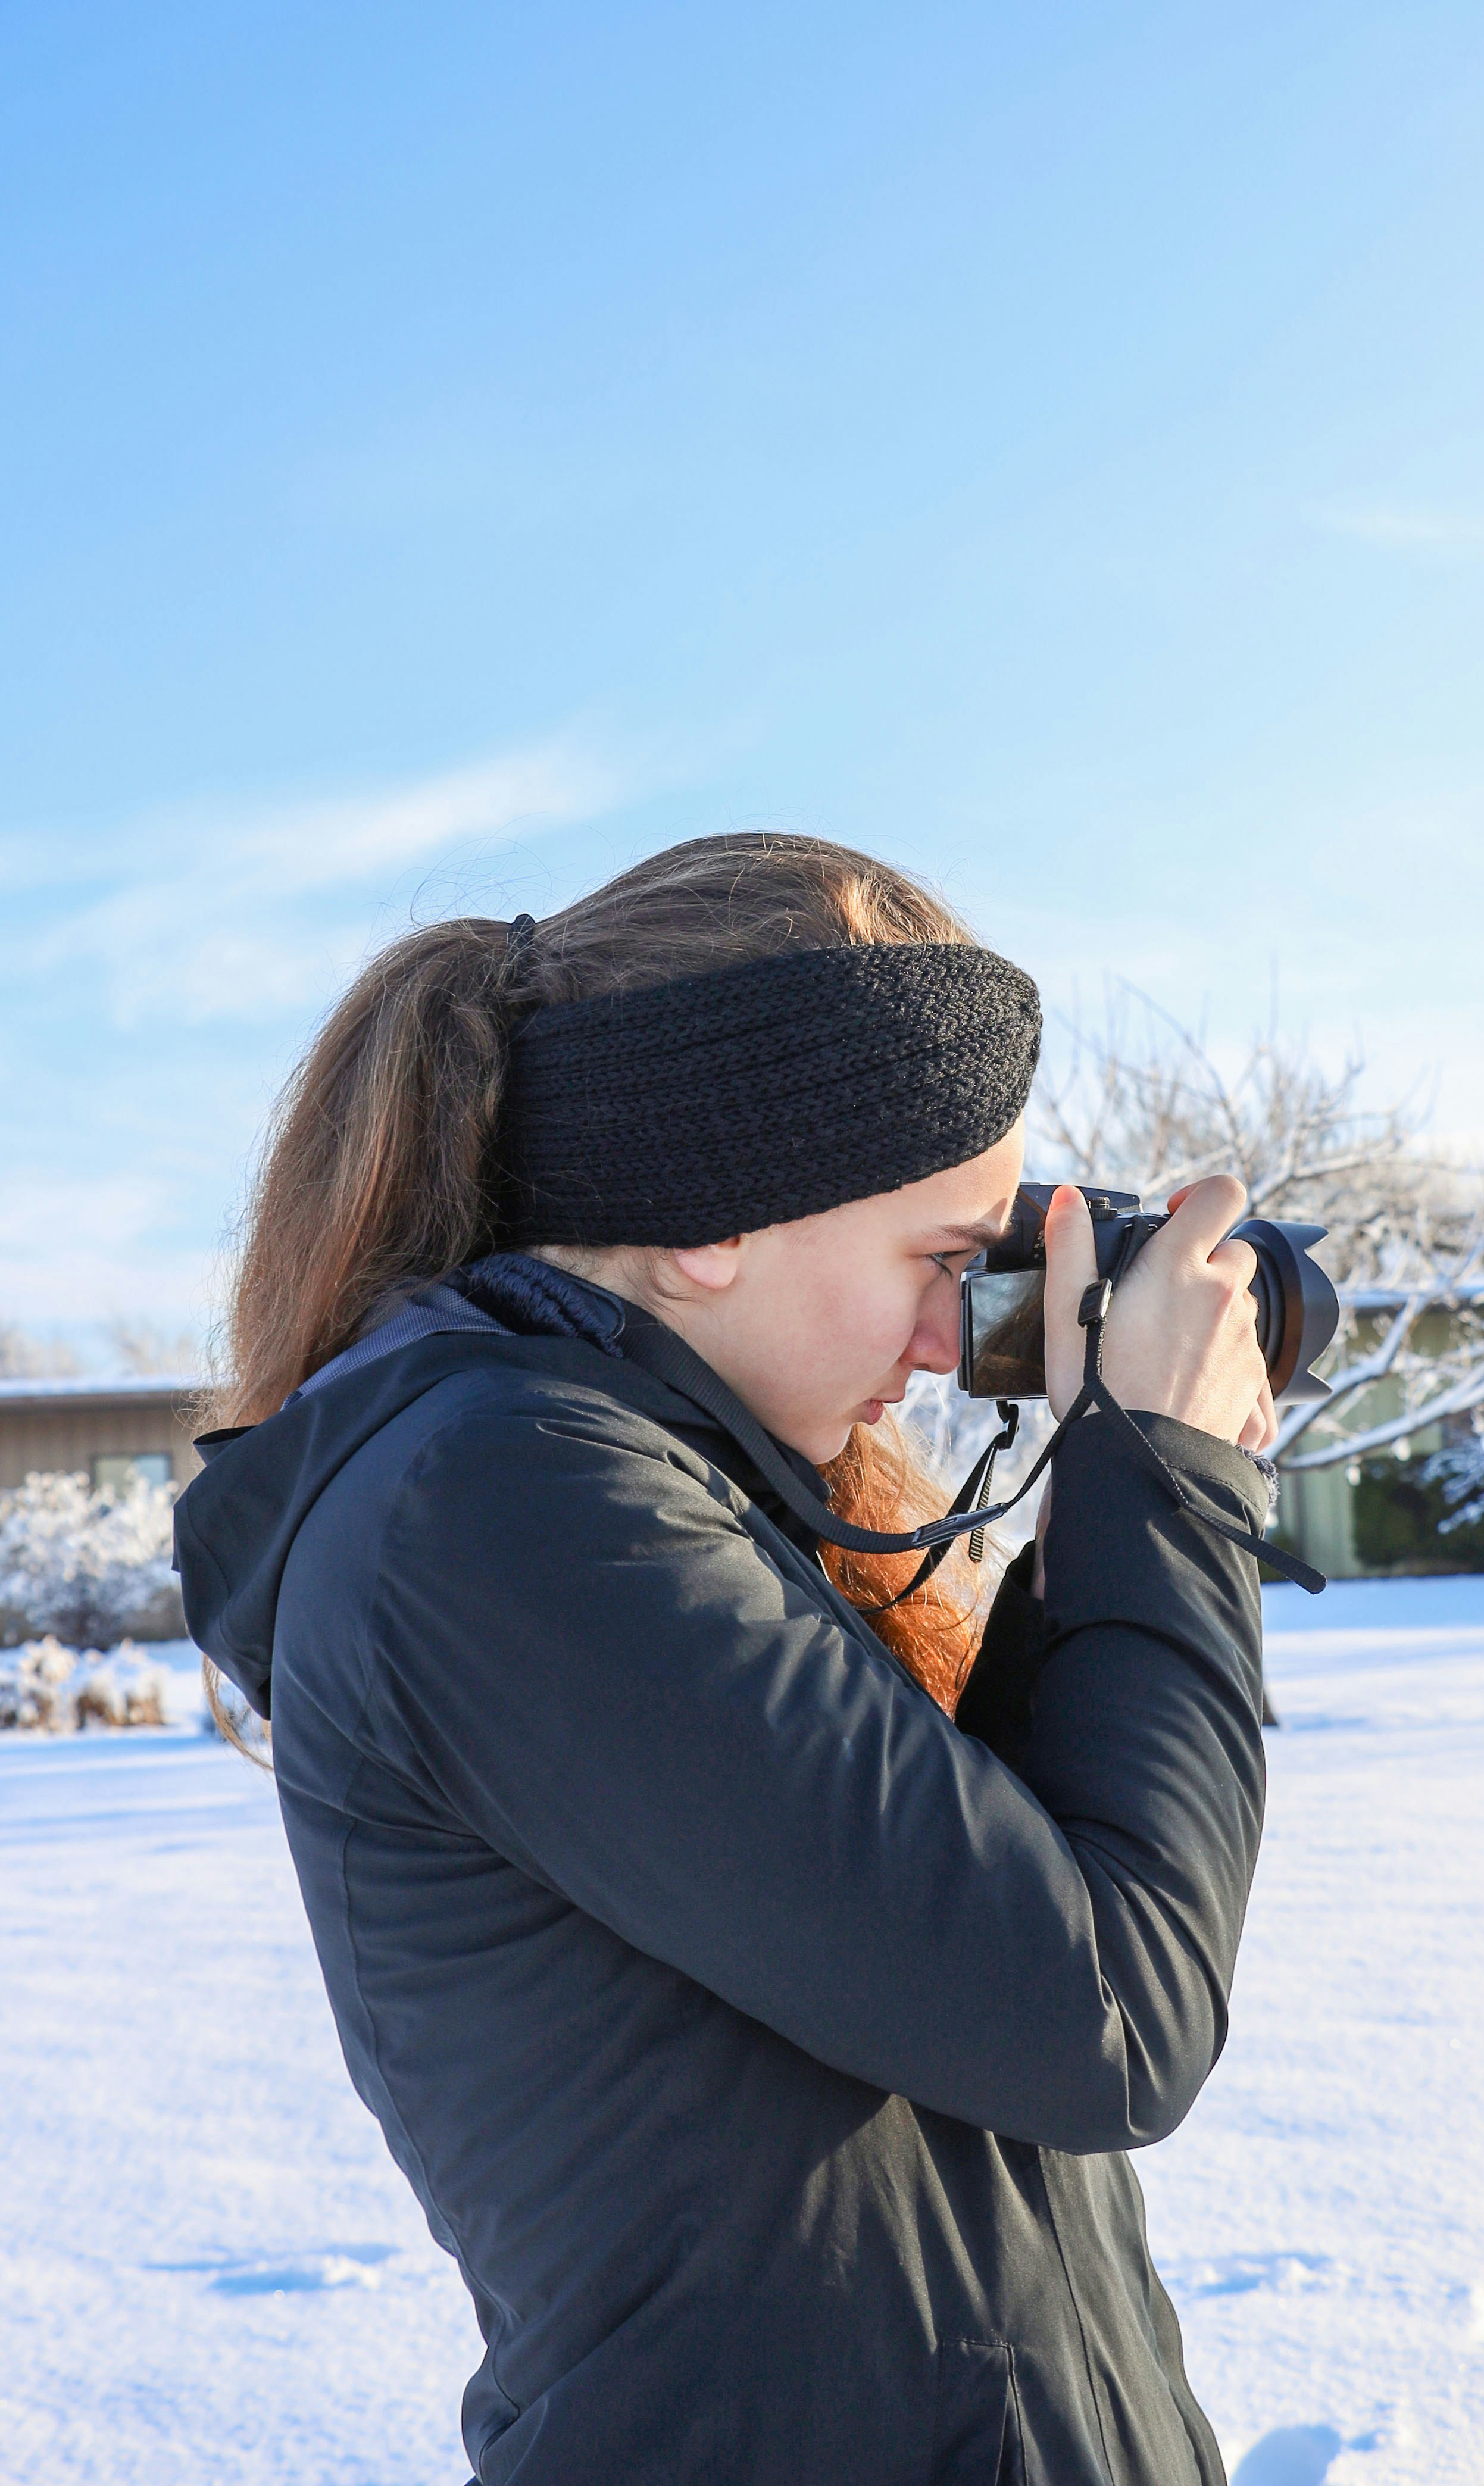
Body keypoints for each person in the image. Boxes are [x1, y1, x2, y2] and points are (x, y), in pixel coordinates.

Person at [177, 832, 1277, 2486]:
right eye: (939, 1259)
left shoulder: (650, 1490)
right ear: (710, 1221)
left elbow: (989, 1905)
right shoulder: (504, 1515)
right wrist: (1161, 1482)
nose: (946, 1341)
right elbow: (1102, 2010)